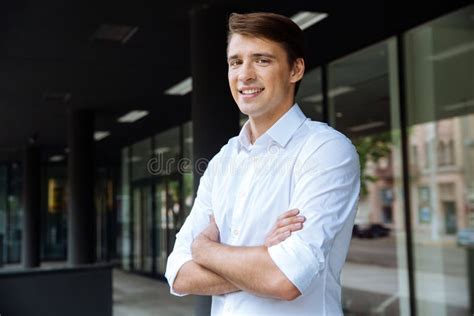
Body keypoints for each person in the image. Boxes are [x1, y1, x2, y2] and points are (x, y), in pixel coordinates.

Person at [165, 12, 360, 315]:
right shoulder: (222, 161)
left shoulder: (325, 150)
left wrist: (205, 249)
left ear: (295, 69)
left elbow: (283, 278)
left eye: (262, 60)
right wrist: (262, 256)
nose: (245, 75)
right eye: (235, 62)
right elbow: (178, 274)